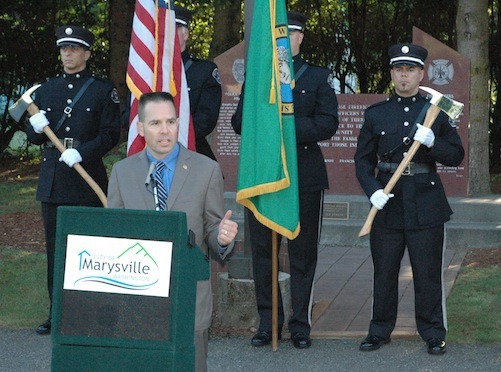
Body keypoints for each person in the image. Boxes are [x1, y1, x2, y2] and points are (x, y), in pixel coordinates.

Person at [107, 92, 237, 372]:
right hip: (137, 296)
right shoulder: (122, 172)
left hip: (189, 294)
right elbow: (113, 236)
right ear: (140, 128)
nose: (165, 130)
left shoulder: (207, 170)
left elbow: (213, 229)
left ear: (180, 123)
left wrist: (223, 238)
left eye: (171, 121)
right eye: (155, 123)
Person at [231, 11, 338, 349]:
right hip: (265, 175)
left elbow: (327, 123)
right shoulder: (259, 77)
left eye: (289, 34)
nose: (283, 40)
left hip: (303, 175)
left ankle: (300, 323)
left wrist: (285, 129)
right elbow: (238, 123)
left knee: (303, 254)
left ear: (300, 38)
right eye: (278, 34)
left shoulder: (318, 77)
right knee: (263, 254)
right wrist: (265, 123)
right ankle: (268, 323)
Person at [354, 43, 464, 354]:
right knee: (385, 270)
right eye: (399, 70)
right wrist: (372, 190)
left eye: (411, 70)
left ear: (421, 73)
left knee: (427, 271)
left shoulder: (437, 111)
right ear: (391, 74)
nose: (405, 75)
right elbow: (362, 160)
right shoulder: (376, 114)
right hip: (387, 199)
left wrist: (432, 142)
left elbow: (456, 155)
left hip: (426, 200)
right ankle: (379, 330)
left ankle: (432, 332)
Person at [25, 25, 121, 335]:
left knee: (91, 250)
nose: (68, 53)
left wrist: (83, 152)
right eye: (64, 48)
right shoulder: (46, 89)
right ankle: (58, 313)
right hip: (54, 182)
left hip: (86, 180)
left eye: (75, 48)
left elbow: (110, 135)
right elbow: (32, 137)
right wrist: (36, 127)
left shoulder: (102, 90)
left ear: (87, 53)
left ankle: (91, 313)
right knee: (56, 251)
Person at [174, 5, 222, 160]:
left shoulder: (203, 71)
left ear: (185, 33)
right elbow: (129, 113)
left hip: (192, 152)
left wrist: (168, 133)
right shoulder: (147, 73)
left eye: (173, 28)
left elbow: (206, 119)